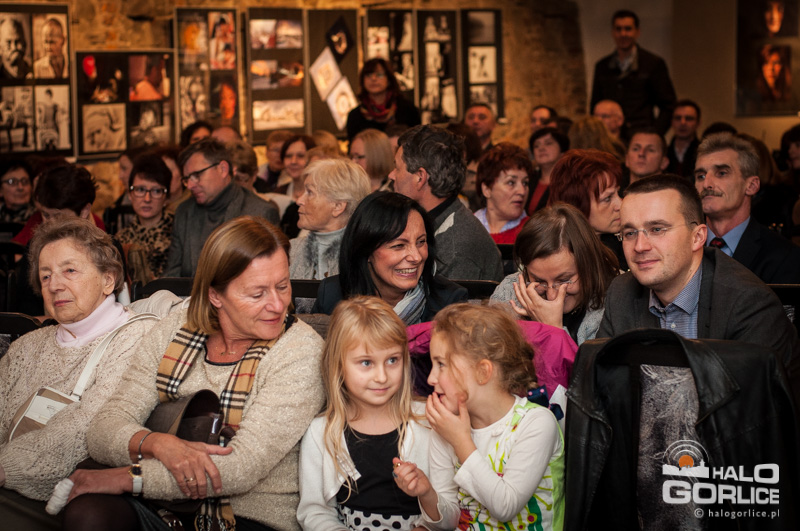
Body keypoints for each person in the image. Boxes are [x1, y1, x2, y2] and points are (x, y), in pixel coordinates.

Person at [60, 216, 325, 531]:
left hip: (248, 515)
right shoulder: (177, 327)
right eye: (257, 294)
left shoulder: (300, 350)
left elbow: (241, 467)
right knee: (88, 514)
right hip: (162, 506)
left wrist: (129, 478)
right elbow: (105, 428)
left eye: (283, 286)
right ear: (215, 296)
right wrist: (158, 444)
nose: (278, 305)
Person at [0, 217, 157, 526]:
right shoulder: (27, 346)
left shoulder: (137, 337)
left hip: (70, 501)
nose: (54, 285)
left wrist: (5, 468)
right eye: (46, 276)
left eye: (69, 271)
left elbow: (86, 428)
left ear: (108, 280)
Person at [598, 175, 800, 396]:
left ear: (697, 237)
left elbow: (751, 409)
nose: (639, 246)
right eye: (629, 233)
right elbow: (602, 388)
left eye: (657, 229)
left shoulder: (748, 303)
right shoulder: (621, 292)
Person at [395, 303, 564, 530]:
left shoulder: (536, 423)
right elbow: (449, 523)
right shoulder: (445, 429)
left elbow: (506, 506)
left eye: (441, 364)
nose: (431, 379)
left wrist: (461, 441)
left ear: (483, 371)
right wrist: (426, 493)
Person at [297, 296, 431, 530]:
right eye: (366, 363)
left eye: (392, 360)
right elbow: (314, 511)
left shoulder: (428, 420)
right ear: (339, 366)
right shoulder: (321, 432)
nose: (382, 376)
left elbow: (450, 509)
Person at [313, 191, 467, 325]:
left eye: (421, 242)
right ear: (366, 250)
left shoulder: (448, 302)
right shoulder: (333, 295)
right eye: (399, 245)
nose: (416, 257)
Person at [490, 204, 619, 345]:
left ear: (588, 266)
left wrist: (552, 328)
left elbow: (589, 360)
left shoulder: (614, 300)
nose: (552, 296)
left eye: (564, 280)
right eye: (539, 280)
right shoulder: (509, 292)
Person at [391, 125, 503, 281]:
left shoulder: (455, 250)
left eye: (397, 168)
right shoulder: (442, 220)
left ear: (420, 177)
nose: (391, 175)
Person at [164, 138, 279, 277]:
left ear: (223, 169)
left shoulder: (260, 213)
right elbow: (172, 274)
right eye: (187, 179)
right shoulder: (185, 211)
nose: (190, 185)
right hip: (188, 291)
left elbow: (264, 277)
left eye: (196, 175)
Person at [694, 133, 800, 283]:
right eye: (701, 176)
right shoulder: (682, 247)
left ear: (751, 186)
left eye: (722, 173)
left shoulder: (784, 256)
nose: (706, 184)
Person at [590, 10, 676, 135]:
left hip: (641, 133)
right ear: (612, 32)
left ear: (637, 32)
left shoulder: (653, 64)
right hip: (610, 136)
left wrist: (654, 134)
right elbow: (595, 105)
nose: (623, 34)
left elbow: (668, 105)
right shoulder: (602, 66)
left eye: (628, 29)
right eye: (618, 29)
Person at [289, 159, 371, 279]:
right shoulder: (290, 251)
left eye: (310, 192)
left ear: (338, 206)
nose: (299, 201)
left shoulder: (367, 258)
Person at [548, 149, 627, 270]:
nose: (620, 204)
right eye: (607, 198)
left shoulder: (618, 243)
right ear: (577, 205)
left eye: (618, 193)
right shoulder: (562, 261)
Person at [115, 154, 175, 280]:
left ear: (166, 197)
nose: (147, 199)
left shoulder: (179, 232)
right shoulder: (121, 239)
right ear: (130, 194)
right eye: (140, 190)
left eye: (156, 191)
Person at [346, 58, 421, 141]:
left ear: (389, 79)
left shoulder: (407, 110)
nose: (373, 78)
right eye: (368, 75)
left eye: (379, 74)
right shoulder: (355, 116)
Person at [474, 142, 533, 244]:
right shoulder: (465, 228)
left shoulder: (534, 234)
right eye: (511, 182)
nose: (522, 191)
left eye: (525, 183)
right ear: (487, 189)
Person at [276, 134, 315, 240]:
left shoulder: (320, 197)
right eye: (288, 156)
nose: (293, 161)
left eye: (300, 156)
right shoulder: (278, 192)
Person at [527, 127, 569, 214]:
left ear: (562, 151)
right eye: (536, 146)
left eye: (548, 143)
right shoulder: (528, 180)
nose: (541, 148)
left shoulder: (569, 182)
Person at [666, 99, 701, 179]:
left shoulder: (704, 153)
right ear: (672, 122)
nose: (683, 123)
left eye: (689, 118)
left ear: (698, 123)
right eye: (678, 118)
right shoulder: (663, 154)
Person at [0, 158, 34, 224]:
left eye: (25, 181)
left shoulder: (41, 217)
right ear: (0, 190)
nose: (20, 187)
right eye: (12, 182)